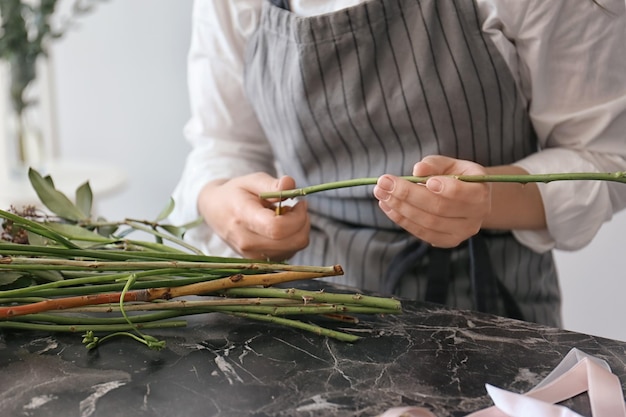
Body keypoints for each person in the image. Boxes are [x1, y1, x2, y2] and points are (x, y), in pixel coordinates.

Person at [170, 0, 626, 327]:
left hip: (488, 320)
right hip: (300, 308)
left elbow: (606, 158)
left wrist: (488, 198)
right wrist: (222, 204)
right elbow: (222, 144)